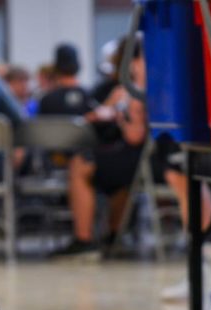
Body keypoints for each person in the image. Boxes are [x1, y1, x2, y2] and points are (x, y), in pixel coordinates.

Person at [39, 41, 151, 257]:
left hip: (142, 158)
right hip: (137, 157)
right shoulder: (121, 90)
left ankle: (85, 239)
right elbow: (100, 114)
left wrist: (120, 115)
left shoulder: (136, 90)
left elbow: (134, 136)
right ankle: (113, 234)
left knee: (82, 163)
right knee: (103, 167)